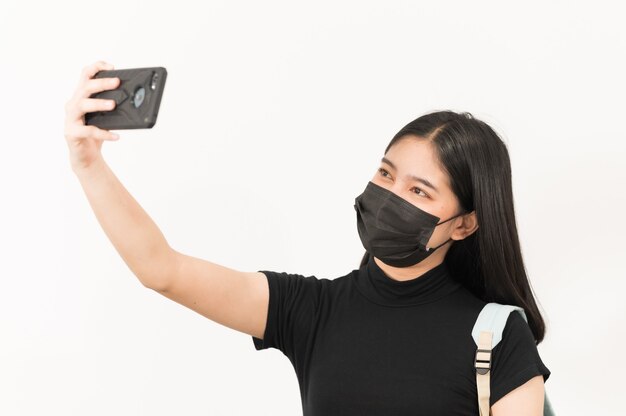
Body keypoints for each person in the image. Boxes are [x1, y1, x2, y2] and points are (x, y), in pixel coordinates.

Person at [65, 61, 551, 415]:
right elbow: (161, 270)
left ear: (465, 223)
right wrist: (87, 163)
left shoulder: (498, 336)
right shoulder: (313, 309)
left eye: (419, 190)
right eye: (385, 174)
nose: (390, 196)